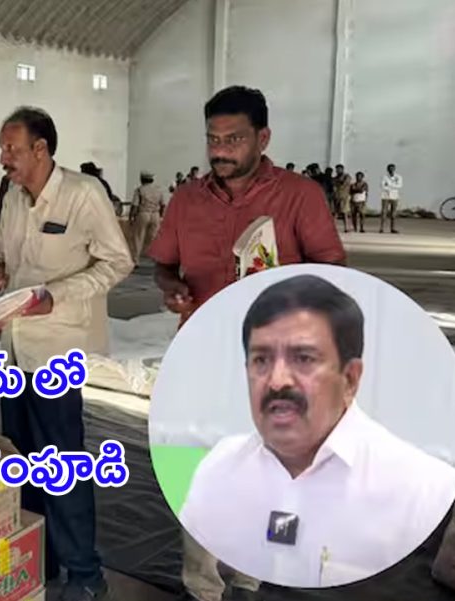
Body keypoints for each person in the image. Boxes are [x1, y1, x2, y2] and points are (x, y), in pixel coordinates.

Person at [147, 85, 346, 601]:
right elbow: (162, 263)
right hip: (204, 354)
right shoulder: (187, 200)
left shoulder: (298, 196)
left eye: (233, 139)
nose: (220, 150)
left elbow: (333, 270)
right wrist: (172, 287)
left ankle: (252, 571)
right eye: (213, 139)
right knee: (200, 467)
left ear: (263, 138)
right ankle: (203, 584)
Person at [181, 274, 455, 588]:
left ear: (350, 378)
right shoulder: (219, 468)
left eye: (304, 359)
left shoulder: (425, 494)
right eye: (261, 359)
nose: (277, 381)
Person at [0, 106, 133, 601]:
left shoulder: (82, 195)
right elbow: (2, 254)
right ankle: (38, 558)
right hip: (14, 348)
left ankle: (86, 574)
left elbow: (118, 262)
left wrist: (58, 296)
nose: (3, 158)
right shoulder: (12, 197)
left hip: (57, 352)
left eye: (11, 149)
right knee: (21, 458)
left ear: (41, 149)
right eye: (2, 149)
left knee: (61, 462)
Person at [131, 171, 165, 264]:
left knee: (138, 237)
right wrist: (160, 215)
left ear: (142, 179)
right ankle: (156, 258)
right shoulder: (158, 190)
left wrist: (132, 216)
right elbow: (163, 204)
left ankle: (136, 260)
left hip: (143, 213)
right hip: (155, 214)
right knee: (154, 237)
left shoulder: (139, 190)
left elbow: (135, 205)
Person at [380, 163, 402, 234]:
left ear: (394, 169)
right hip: (385, 196)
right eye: (390, 169)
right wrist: (393, 185)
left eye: (392, 168)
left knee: (393, 213)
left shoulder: (398, 177)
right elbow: (382, 186)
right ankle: (382, 228)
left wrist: (389, 185)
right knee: (384, 213)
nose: (391, 170)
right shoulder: (384, 177)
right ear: (387, 169)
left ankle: (393, 228)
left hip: (394, 196)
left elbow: (399, 186)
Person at [333, 164, 352, 233]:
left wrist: (337, 181)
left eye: (339, 169)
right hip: (337, 196)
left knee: (344, 213)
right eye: (337, 169)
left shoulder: (347, 176)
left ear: (342, 169)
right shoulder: (335, 178)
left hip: (344, 197)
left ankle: (346, 227)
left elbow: (344, 183)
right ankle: (333, 227)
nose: (337, 171)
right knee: (335, 213)